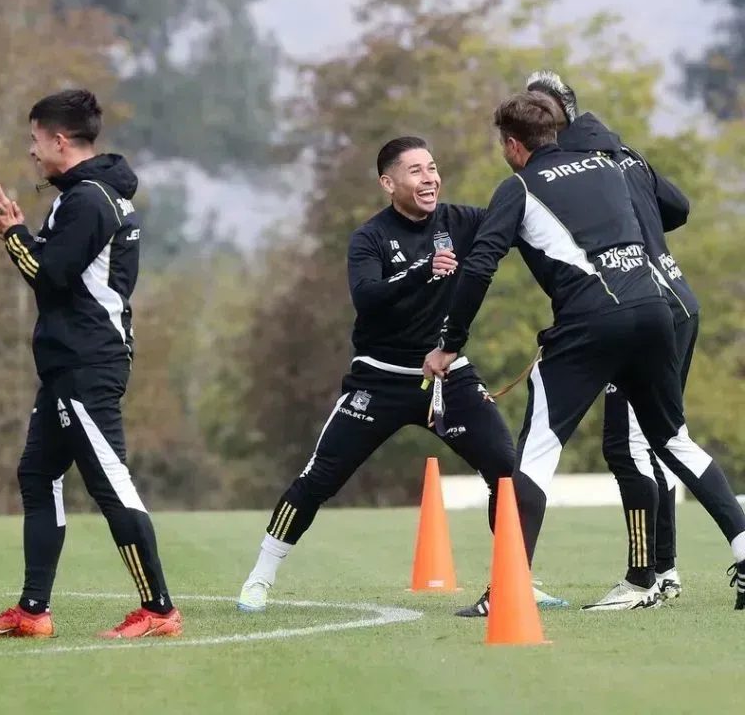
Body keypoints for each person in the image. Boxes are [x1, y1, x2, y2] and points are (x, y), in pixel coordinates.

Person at [423, 91, 745, 612]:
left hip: (591, 325)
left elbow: (481, 265)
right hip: (654, 311)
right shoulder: (610, 166)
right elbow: (667, 215)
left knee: (537, 452)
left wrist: (448, 344)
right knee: (674, 439)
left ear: (512, 144)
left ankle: (506, 591)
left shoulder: (520, 186)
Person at [235, 135, 567, 617]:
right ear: (388, 183)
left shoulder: (462, 222)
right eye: (415, 170)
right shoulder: (369, 238)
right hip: (379, 380)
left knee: (507, 472)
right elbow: (367, 297)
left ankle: (514, 580)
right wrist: (421, 270)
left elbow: (522, 230)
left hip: (449, 376)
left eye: (432, 167)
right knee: (318, 478)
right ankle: (259, 579)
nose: (429, 177)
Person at [0, 89, 182, 639]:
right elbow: (65, 267)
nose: (32, 152)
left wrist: (12, 235)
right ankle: (33, 611)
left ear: (59, 140)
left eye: (35, 141)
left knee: (110, 483)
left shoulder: (88, 199)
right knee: (37, 474)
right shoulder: (88, 196)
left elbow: (49, 277)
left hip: (87, 362)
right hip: (70, 363)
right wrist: (22, 233)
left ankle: (159, 609)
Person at [526, 70, 696, 610]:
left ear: (556, 114)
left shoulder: (568, 165)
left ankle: (647, 575)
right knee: (662, 439)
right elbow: (679, 208)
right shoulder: (622, 152)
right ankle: (669, 568)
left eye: (538, 108)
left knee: (631, 445)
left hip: (638, 306)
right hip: (676, 301)